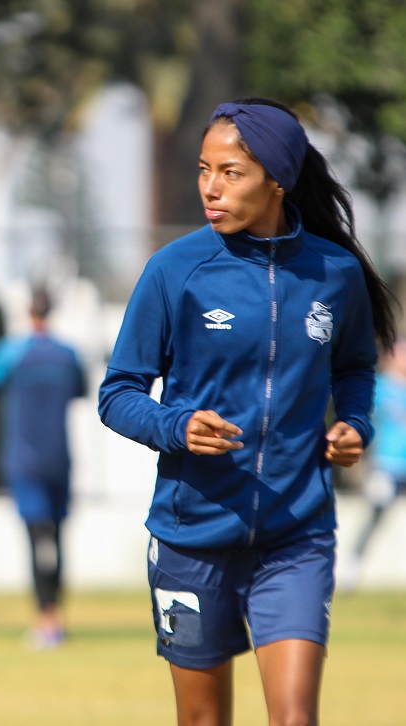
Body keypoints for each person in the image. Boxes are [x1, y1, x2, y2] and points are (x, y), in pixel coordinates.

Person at [98, 97, 397, 726]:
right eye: (204, 169)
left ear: (278, 178)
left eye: (231, 172)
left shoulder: (335, 273)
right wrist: (176, 427)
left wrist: (355, 424)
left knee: (294, 717)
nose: (211, 187)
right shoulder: (174, 270)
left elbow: (354, 368)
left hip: (297, 535)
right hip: (191, 540)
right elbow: (118, 393)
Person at [0, 286, 86, 649]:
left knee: (36, 538)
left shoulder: (11, 351)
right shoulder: (68, 355)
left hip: (24, 458)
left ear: (27, 311)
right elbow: (81, 390)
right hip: (60, 458)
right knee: (57, 538)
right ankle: (57, 618)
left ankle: (44, 623)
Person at [340, 337, 406, 589]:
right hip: (386, 464)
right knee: (377, 513)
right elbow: (361, 420)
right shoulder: (379, 386)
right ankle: (353, 564)